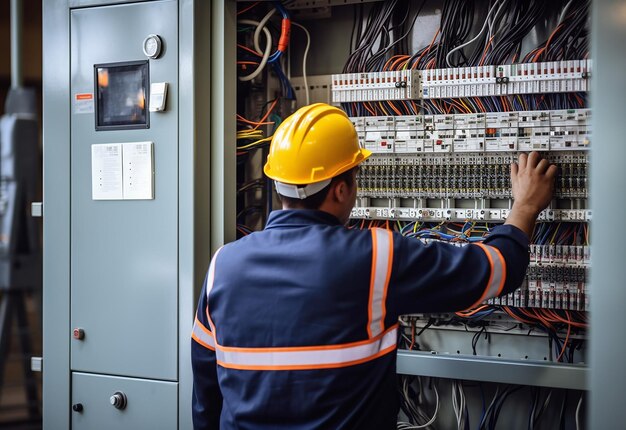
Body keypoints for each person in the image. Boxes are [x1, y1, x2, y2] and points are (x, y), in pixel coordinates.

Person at [191, 103, 557, 429]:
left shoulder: (222, 265)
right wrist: (524, 206)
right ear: (340, 190)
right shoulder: (376, 257)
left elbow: (206, 393)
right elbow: (498, 269)